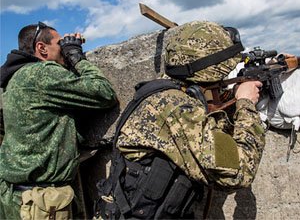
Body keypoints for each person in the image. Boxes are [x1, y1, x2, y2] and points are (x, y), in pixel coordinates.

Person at [95, 21, 266, 219]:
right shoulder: (175, 107)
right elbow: (239, 173)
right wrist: (246, 103)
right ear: (209, 71)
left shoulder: (166, 90)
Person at [0, 21, 118, 219]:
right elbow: (104, 93)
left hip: (15, 195)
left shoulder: (14, 78)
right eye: (59, 44)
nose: (63, 50)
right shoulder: (42, 73)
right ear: (41, 48)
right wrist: (76, 56)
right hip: (41, 203)